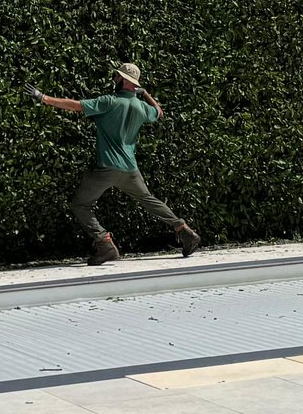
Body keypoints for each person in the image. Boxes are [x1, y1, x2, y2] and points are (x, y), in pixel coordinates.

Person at [31, 63, 202, 266]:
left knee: (80, 204)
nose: (114, 79)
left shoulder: (109, 101)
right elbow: (159, 112)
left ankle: (104, 243)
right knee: (148, 199)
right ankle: (183, 230)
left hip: (107, 168)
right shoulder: (141, 107)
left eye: (116, 76)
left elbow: (75, 105)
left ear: (124, 80)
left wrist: (43, 98)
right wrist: (145, 94)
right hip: (130, 169)